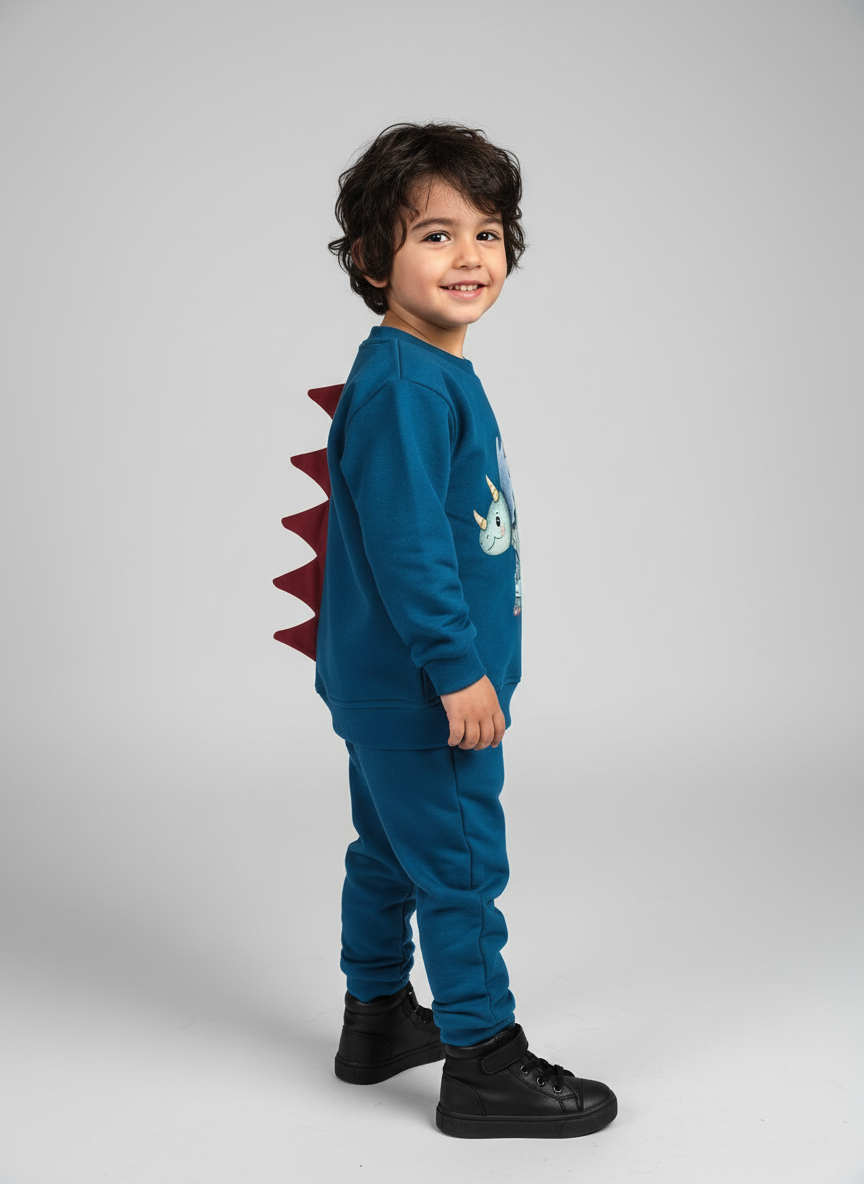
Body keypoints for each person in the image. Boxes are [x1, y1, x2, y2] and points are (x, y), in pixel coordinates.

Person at [315, 122, 617, 1139]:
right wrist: (457, 668)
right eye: (435, 234)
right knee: (461, 866)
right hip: (425, 690)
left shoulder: (427, 372)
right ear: (373, 259)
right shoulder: (407, 385)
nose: (470, 256)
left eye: (487, 233)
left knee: (388, 851)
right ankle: (484, 1058)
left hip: (386, 682)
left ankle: (376, 1019)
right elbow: (408, 546)